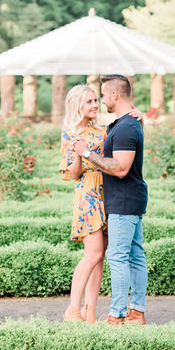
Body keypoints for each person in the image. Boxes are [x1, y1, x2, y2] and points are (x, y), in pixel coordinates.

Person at [72, 74, 148, 325]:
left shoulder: (126, 127)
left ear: (114, 95)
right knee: (135, 256)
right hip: (127, 199)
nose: (102, 101)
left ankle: (117, 315)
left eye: (103, 95)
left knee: (117, 257)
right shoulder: (125, 123)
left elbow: (121, 167)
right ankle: (136, 313)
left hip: (123, 200)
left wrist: (86, 153)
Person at [58, 84, 107, 323]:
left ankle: (91, 309)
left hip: (106, 191)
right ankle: (73, 309)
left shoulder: (103, 130)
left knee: (100, 256)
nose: (95, 105)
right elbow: (74, 174)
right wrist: (78, 152)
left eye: (96, 100)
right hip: (87, 193)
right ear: (77, 105)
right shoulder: (69, 134)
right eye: (89, 102)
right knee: (93, 253)